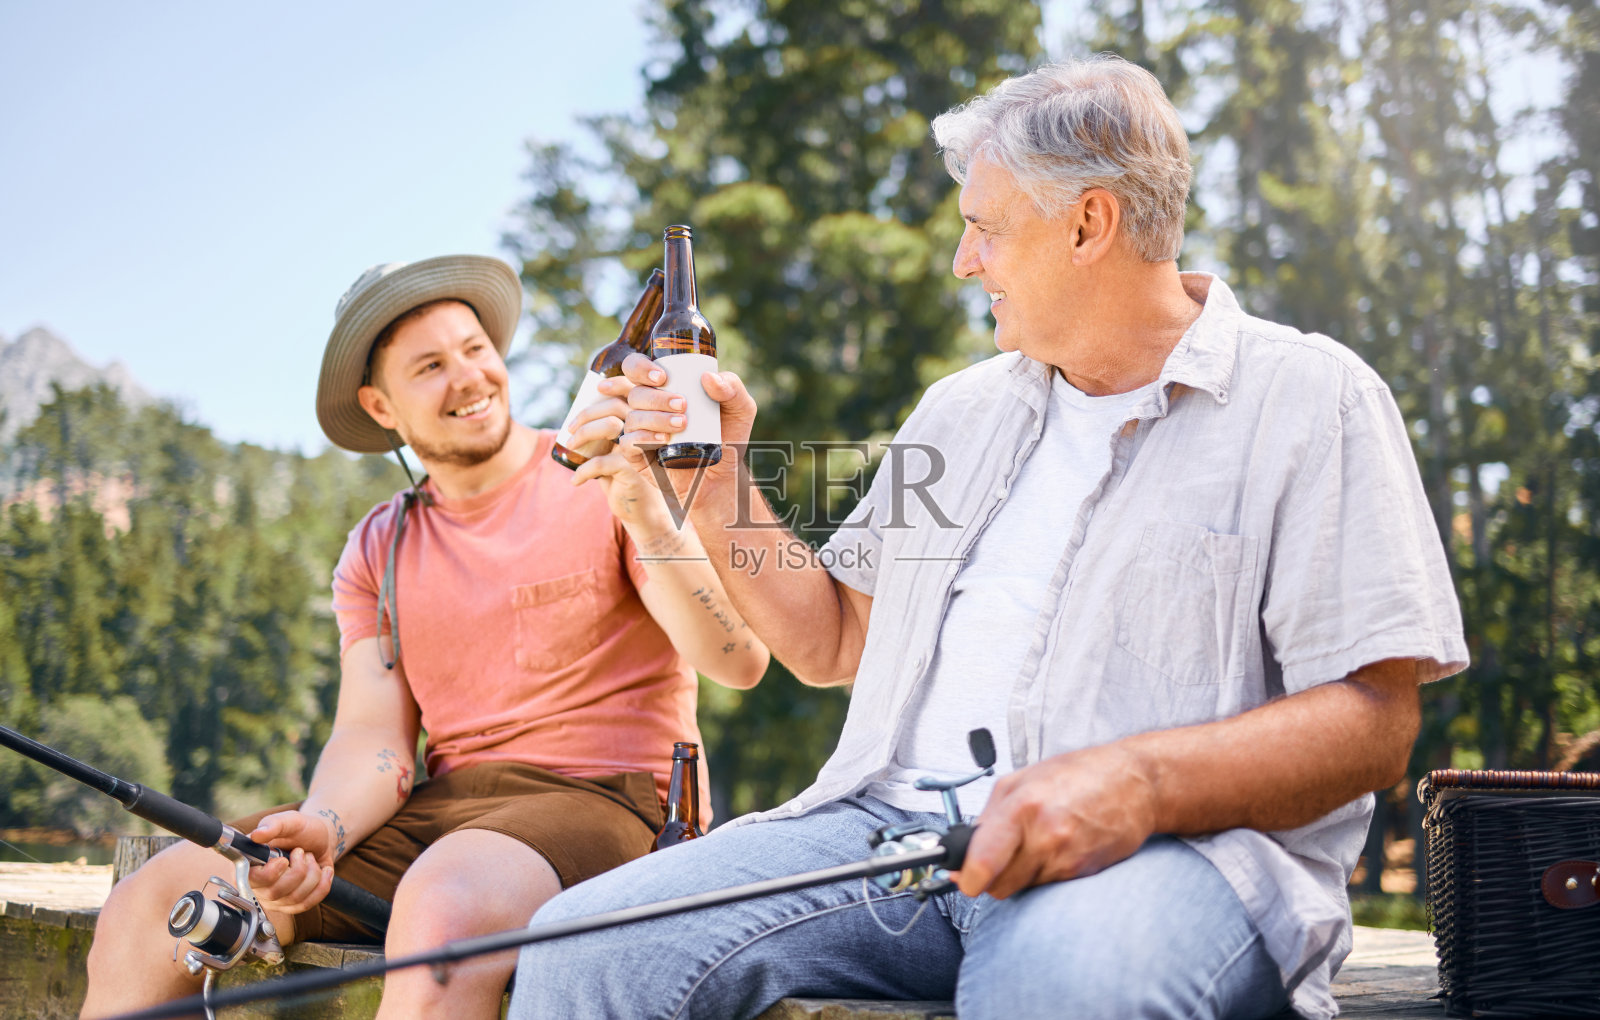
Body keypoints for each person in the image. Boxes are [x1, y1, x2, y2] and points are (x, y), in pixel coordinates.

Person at [508, 56, 1466, 1020]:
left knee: (1058, 993)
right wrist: (717, 485)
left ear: (1089, 222)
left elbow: (1374, 723)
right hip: (888, 844)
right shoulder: (958, 412)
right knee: (581, 949)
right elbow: (832, 640)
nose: (966, 260)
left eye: (985, 227)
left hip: (1166, 860)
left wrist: (1134, 783)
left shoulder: (1310, 397)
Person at [83, 255, 770, 1019]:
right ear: (382, 406)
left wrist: (645, 508)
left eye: (476, 350)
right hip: (446, 813)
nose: (469, 378)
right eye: (431, 366)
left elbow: (738, 659)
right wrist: (326, 828)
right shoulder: (380, 543)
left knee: (442, 901)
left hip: (616, 803)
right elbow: (373, 742)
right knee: (151, 900)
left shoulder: (612, 480)